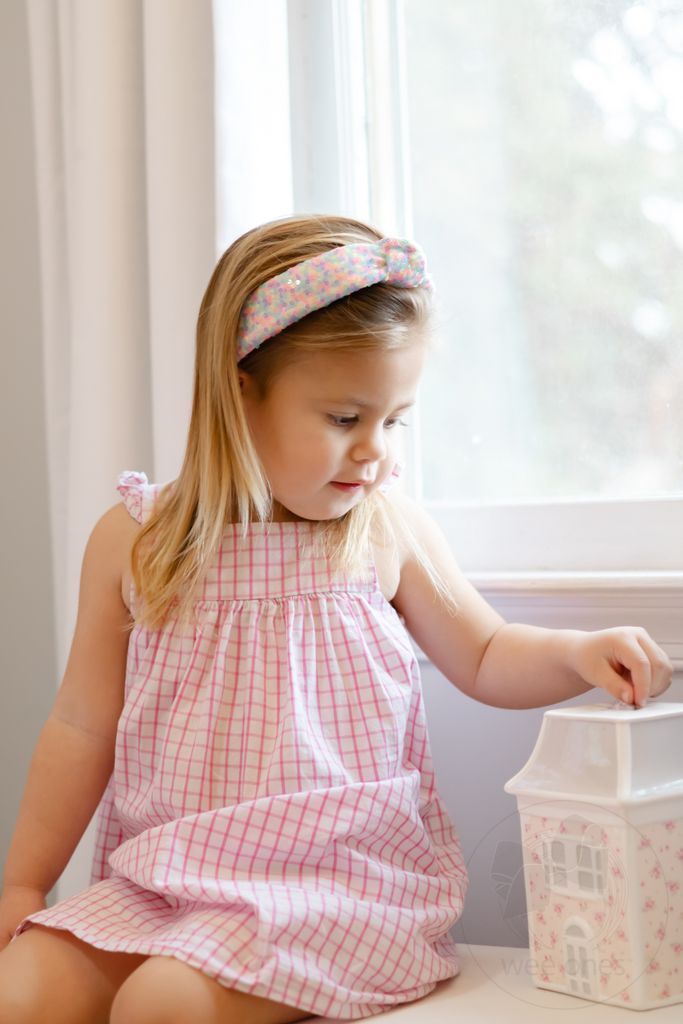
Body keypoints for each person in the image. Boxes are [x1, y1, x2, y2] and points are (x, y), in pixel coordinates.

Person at [0, 214, 673, 1024]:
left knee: (160, 1007)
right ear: (239, 392)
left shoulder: (383, 530)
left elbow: (486, 652)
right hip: (168, 883)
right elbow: (80, 726)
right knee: (22, 991)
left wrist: (576, 651)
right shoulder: (138, 540)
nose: (375, 451)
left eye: (394, 420)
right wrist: (25, 882)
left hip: (337, 886)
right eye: (345, 419)